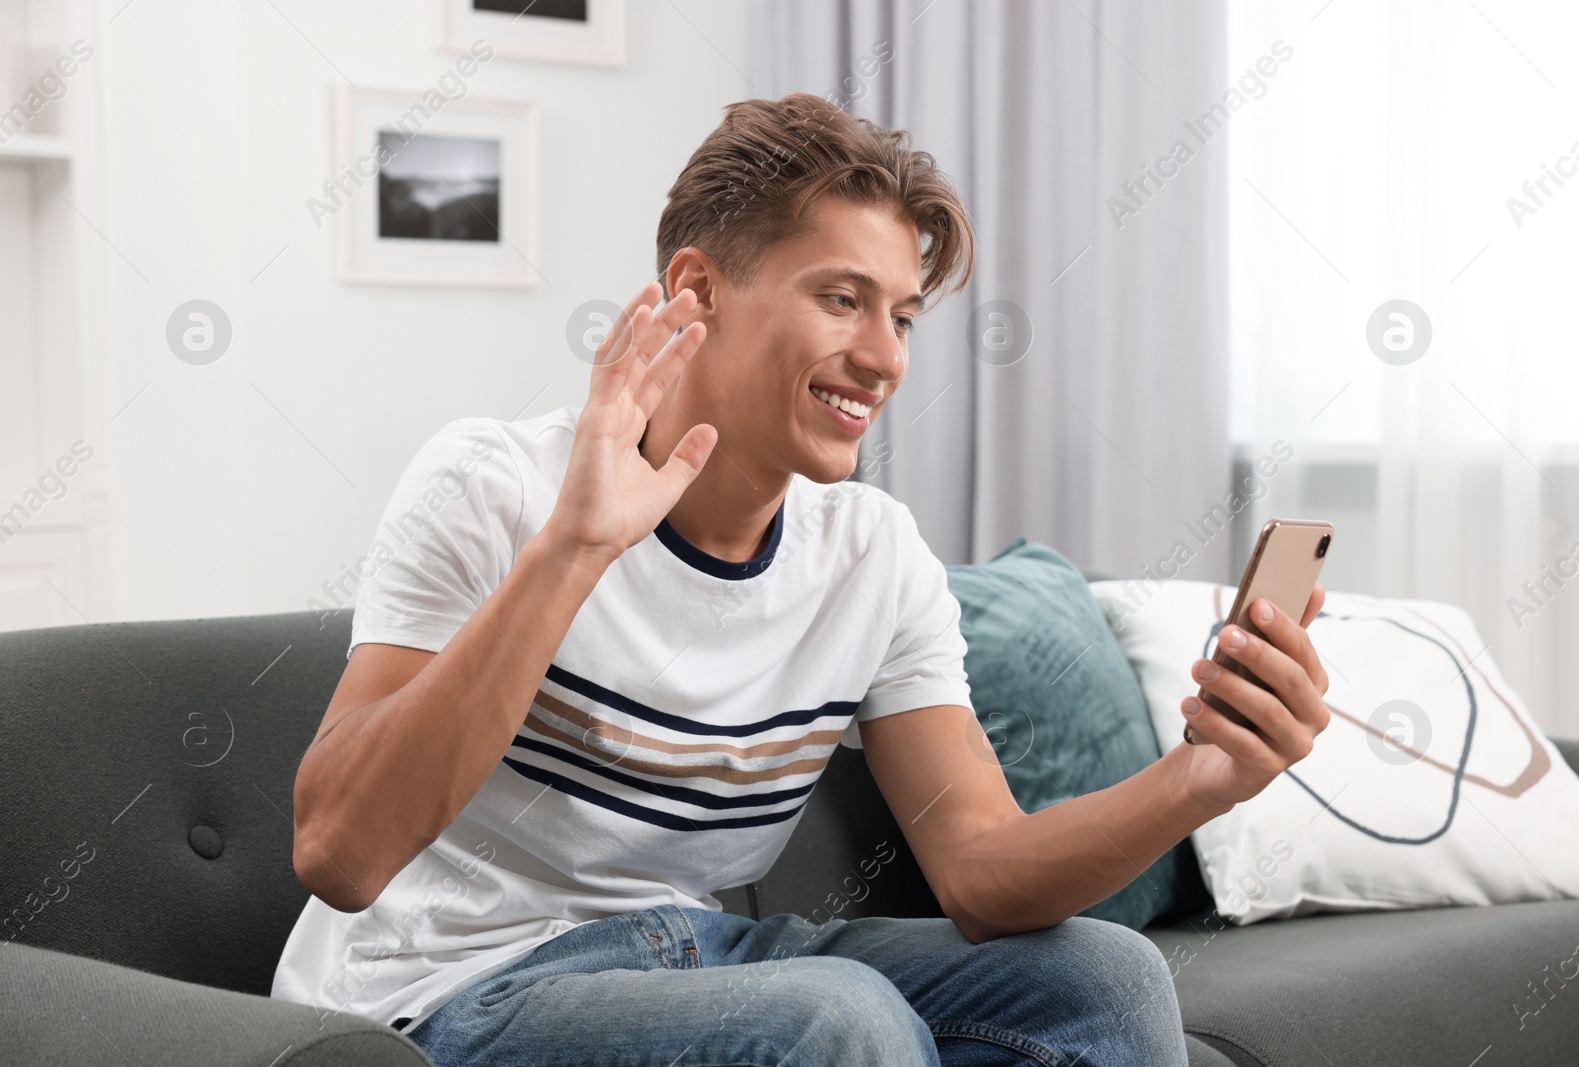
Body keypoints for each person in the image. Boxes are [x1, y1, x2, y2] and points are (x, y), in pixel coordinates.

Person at [271, 92, 1331, 1066]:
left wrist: (1198, 781)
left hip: (699, 952)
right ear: (697, 290)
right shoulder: (491, 484)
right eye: (841, 299)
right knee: (836, 1015)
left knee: (1106, 978)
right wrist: (572, 551)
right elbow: (340, 852)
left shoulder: (870, 554)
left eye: (903, 316)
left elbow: (982, 869)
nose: (885, 358)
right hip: (444, 991)